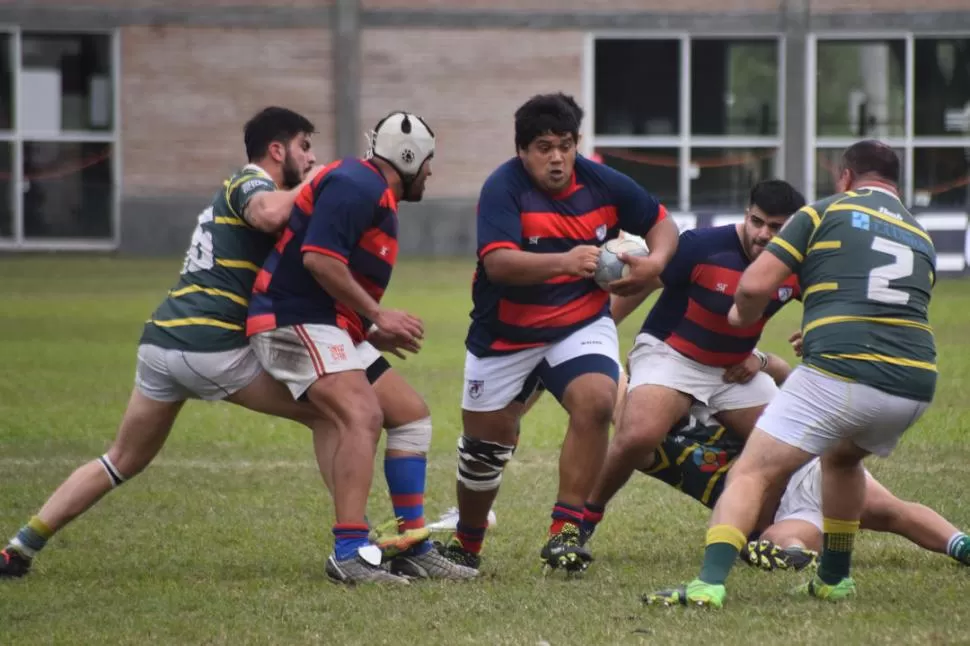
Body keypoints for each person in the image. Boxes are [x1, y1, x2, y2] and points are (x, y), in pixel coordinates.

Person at [0, 107, 328, 579]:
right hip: (208, 347)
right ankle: (358, 544)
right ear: (278, 150)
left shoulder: (254, 190)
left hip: (162, 344)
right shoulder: (250, 183)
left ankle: (19, 547)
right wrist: (317, 183)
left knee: (122, 459)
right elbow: (269, 213)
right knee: (333, 413)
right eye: (305, 146)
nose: (312, 157)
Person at [645, 140, 937, 608]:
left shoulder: (823, 212)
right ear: (894, 181)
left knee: (751, 471)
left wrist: (742, 317)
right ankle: (834, 578)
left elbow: (756, 283)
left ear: (845, 177)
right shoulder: (920, 235)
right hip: (915, 383)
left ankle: (707, 586)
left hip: (844, 373)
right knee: (841, 460)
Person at [438, 92, 679, 574]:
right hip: (505, 335)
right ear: (522, 150)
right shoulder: (501, 189)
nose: (557, 158)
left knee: (596, 400)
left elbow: (662, 224)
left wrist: (654, 262)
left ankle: (567, 530)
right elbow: (499, 264)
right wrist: (565, 261)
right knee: (486, 450)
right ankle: (467, 542)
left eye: (565, 145)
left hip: (578, 322)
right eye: (544, 147)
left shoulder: (601, 181)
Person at [247, 111, 476, 584]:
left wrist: (368, 329)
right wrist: (377, 315)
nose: (430, 172)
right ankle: (349, 552)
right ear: (409, 157)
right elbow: (318, 259)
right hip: (291, 319)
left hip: (326, 324)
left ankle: (411, 546)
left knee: (411, 415)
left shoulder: (369, 188)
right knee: (363, 414)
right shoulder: (359, 184)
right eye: (428, 161)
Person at [582, 349, 970, 573]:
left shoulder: (718, 395)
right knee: (776, 543)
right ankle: (798, 556)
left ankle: (960, 544)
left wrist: (761, 359)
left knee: (889, 512)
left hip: (808, 471)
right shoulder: (648, 445)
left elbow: (787, 378)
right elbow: (615, 396)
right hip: (776, 513)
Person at [583, 180, 806, 537]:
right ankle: (584, 518)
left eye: (777, 227)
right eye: (758, 222)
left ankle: (756, 531)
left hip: (734, 371)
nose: (764, 234)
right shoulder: (702, 246)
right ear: (747, 216)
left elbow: (829, 301)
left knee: (789, 447)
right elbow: (641, 283)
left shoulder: (797, 264)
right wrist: (599, 331)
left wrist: (813, 332)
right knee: (639, 435)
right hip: (670, 354)